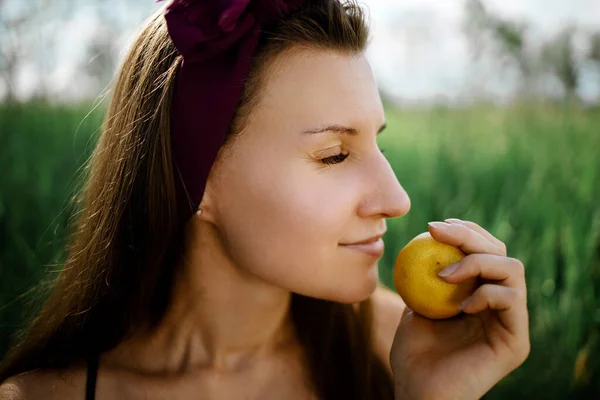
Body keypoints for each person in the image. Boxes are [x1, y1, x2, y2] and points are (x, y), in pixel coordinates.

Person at [0, 0, 530, 399]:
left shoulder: (403, 349)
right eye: (334, 155)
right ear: (198, 178)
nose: (397, 199)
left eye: (378, 142)